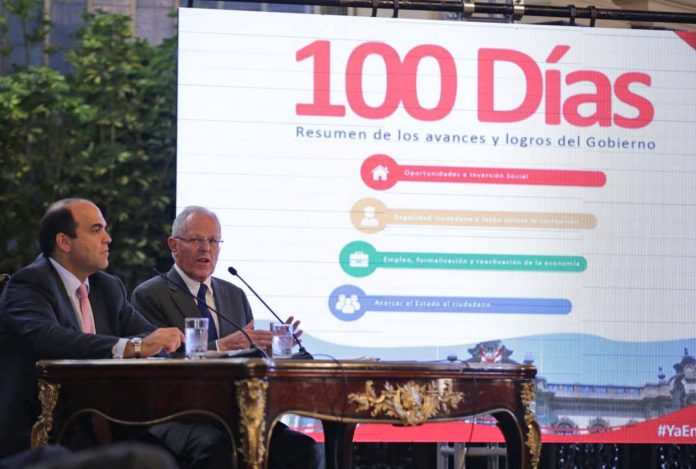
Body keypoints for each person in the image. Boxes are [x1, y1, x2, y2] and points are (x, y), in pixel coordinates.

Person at [0, 199, 234, 468]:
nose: (108, 238)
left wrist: (166, 341)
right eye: (96, 230)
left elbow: (151, 335)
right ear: (64, 242)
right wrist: (132, 347)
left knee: (213, 442)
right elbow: (50, 338)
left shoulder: (107, 287)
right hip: (48, 430)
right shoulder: (29, 284)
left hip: (113, 420)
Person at [132, 206, 321, 469]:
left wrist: (269, 351)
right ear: (173, 245)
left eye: (213, 241)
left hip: (236, 411)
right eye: (196, 239)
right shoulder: (150, 294)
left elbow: (246, 358)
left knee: (302, 448)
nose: (206, 248)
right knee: (216, 447)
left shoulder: (235, 294)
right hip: (179, 414)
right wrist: (223, 345)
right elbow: (157, 359)